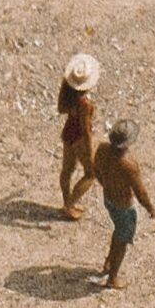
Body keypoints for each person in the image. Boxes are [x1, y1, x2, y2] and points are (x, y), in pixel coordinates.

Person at [94, 124, 155, 289]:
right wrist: (150, 207)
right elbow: (140, 191)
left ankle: (109, 262)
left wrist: (106, 185)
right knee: (122, 240)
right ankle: (113, 278)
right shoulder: (128, 164)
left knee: (118, 232)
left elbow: (96, 170)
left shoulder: (102, 149)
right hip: (123, 206)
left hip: (108, 199)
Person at [54, 55, 102, 219]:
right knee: (91, 173)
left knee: (67, 170)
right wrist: (90, 152)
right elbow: (86, 130)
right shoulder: (85, 104)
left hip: (68, 133)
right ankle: (70, 204)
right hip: (79, 138)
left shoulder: (67, 92)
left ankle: (66, 202)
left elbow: (61, 109)